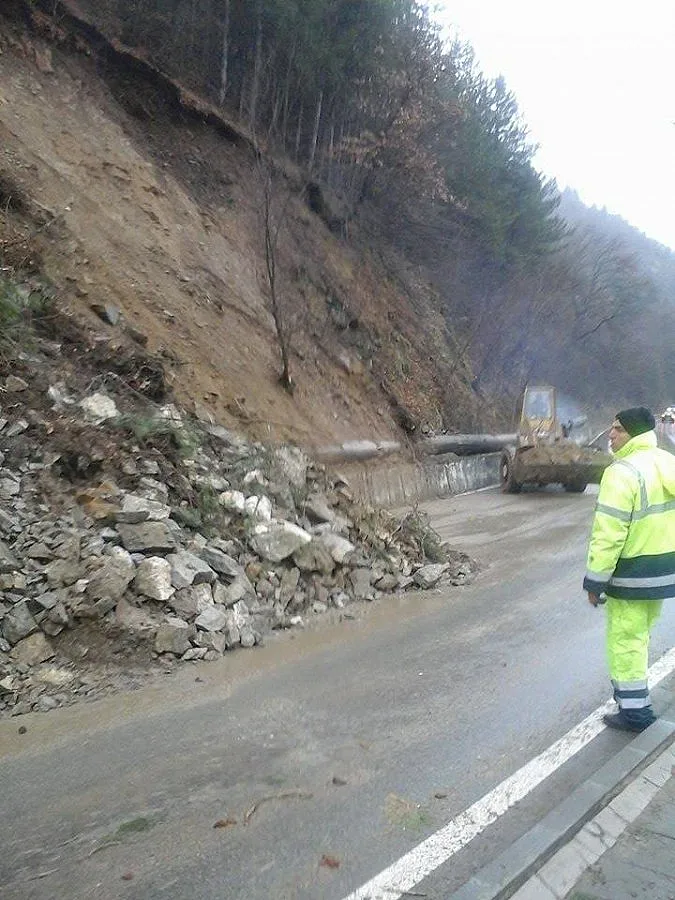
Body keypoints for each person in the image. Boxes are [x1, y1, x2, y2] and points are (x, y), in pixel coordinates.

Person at [583, 407, 675, 732]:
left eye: (617, 429)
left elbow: (608, 536)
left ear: (632, 434)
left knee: (625, 641)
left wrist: (594, 582)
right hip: (663, 573)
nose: (611, 434)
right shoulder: (667, 461)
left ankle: (635, 713)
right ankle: (634, 703)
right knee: (639, 637)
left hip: (631, 575)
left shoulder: (622, 472)